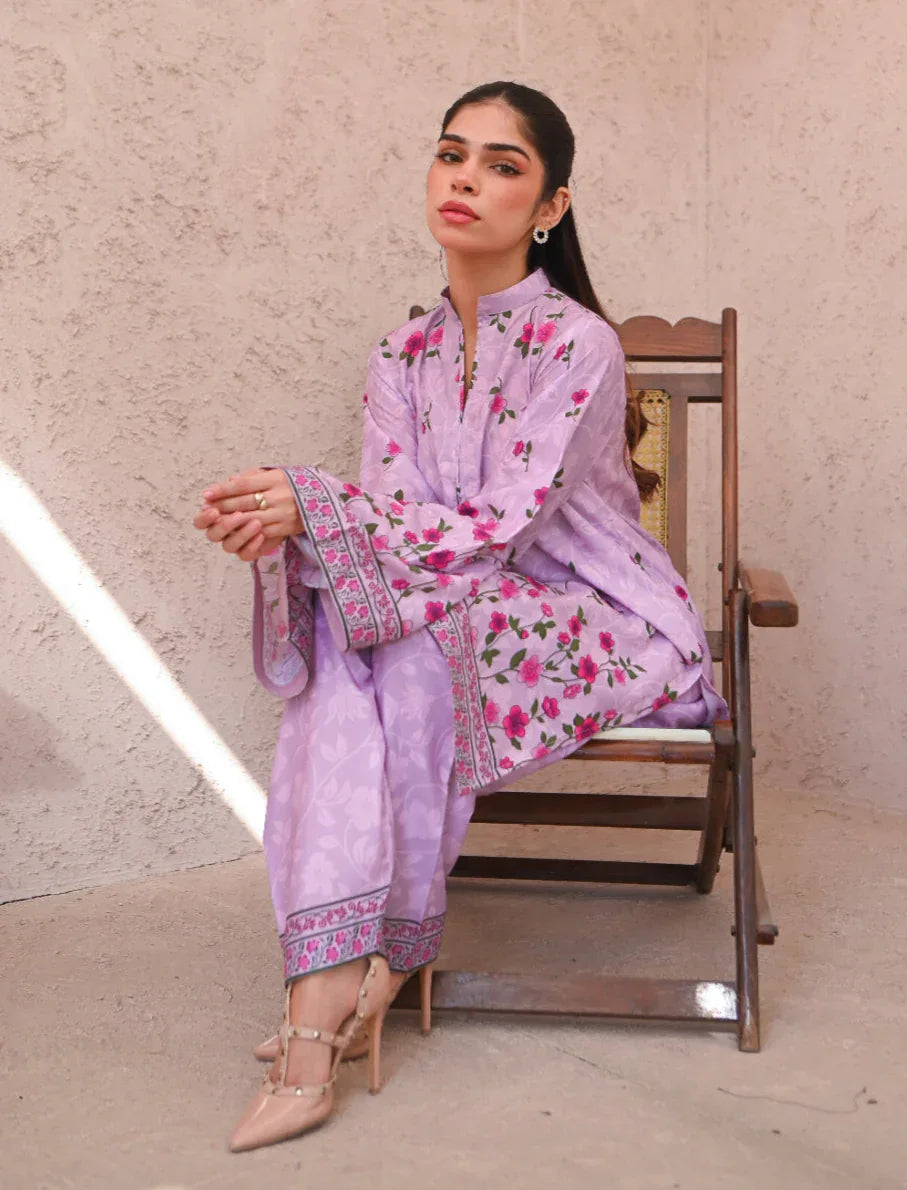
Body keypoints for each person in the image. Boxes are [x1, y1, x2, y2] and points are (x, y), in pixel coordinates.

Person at [194, 81, 727, 1152]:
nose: (467, 179)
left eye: (502, 164)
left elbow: (504, 519)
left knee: (410, 639)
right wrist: (295, 533)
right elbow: (400, 521)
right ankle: (336, 986)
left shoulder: (582, 344)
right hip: (471, 598)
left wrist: (319, 505)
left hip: (598, 611)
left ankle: (340, 993)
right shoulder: (400, 356)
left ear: (550, 204)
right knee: (362, 629)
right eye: (452, 155)